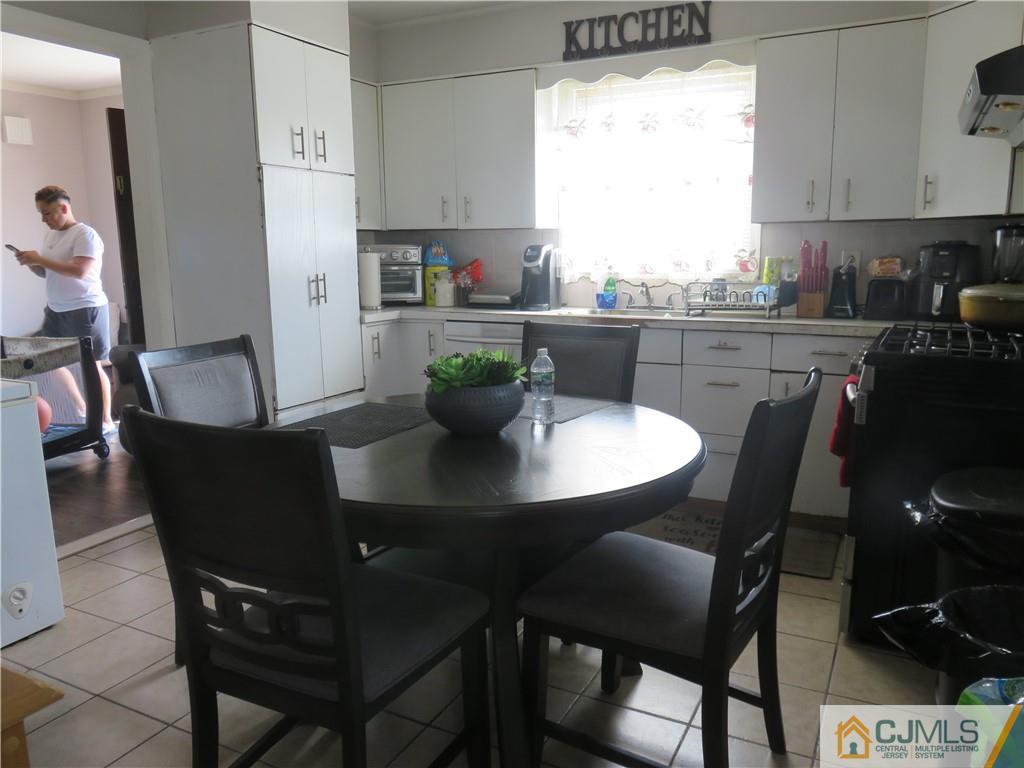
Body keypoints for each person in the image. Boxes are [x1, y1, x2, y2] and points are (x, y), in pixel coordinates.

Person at [14, 185, 114, 432]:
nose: (43, 219)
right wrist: (31, 263)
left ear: (64, 208)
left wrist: (40, 259)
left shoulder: (85, 235)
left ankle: (105, 421)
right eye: (41, 213)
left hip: (85, 308)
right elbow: (48, 272)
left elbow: (80, 271)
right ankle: (82, 409)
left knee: (92, 365)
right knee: (50, 361)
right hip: (56, 309)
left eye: (47, 213)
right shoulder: (51, 236)